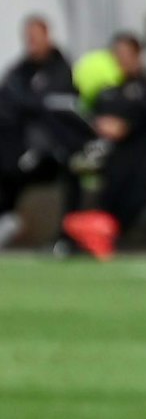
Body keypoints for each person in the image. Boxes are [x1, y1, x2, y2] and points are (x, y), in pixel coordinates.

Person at [59, 32, 146, 260]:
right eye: (117, 55)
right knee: (75, 167)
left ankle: (105, 232)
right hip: (110, 151)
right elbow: (95, 118)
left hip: (142, 151)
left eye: (126, 54)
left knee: (132, 175)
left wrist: (125, 126)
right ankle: (76, 232)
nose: (122, 60)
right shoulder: (109, 92)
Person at [0, 15, 84, 248]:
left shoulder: (62, 69)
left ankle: (69, 237)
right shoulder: (19, 70)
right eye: (28, 38)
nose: (31, 43)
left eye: (35, 38)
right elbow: (8, 100)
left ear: (47, 36)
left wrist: (28, 103)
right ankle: (6, 217)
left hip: (56, 148)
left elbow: (51, 105)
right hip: (19, 145)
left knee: (74, 170)